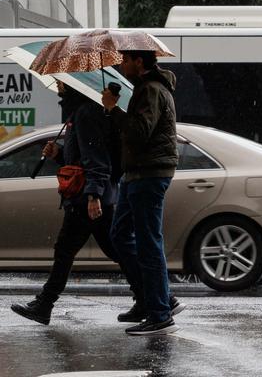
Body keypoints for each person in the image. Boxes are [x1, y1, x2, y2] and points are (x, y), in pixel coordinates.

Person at [10, 82, 142, 325]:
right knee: (116, 249)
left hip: (87, 197)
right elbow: (80, 158)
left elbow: (97, 158)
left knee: (67, 250)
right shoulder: (78, 113)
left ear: (72, 86)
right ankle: (154, 297)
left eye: (62, 82)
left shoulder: (86, 113)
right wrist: (58, 155)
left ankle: (44, 304)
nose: (58, 85)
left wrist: (94, 195)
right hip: (90, 194)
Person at [102, 50, 180, 336]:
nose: (121, 65)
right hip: (135, 173)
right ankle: (149, 299)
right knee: (120, 235)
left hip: (149, 173)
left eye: (125, 60)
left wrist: (113, 109)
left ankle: (160, 313)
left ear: (139, 61)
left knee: (148, 242)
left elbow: (138, 133)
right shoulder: (144, 89)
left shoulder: (151, 90)